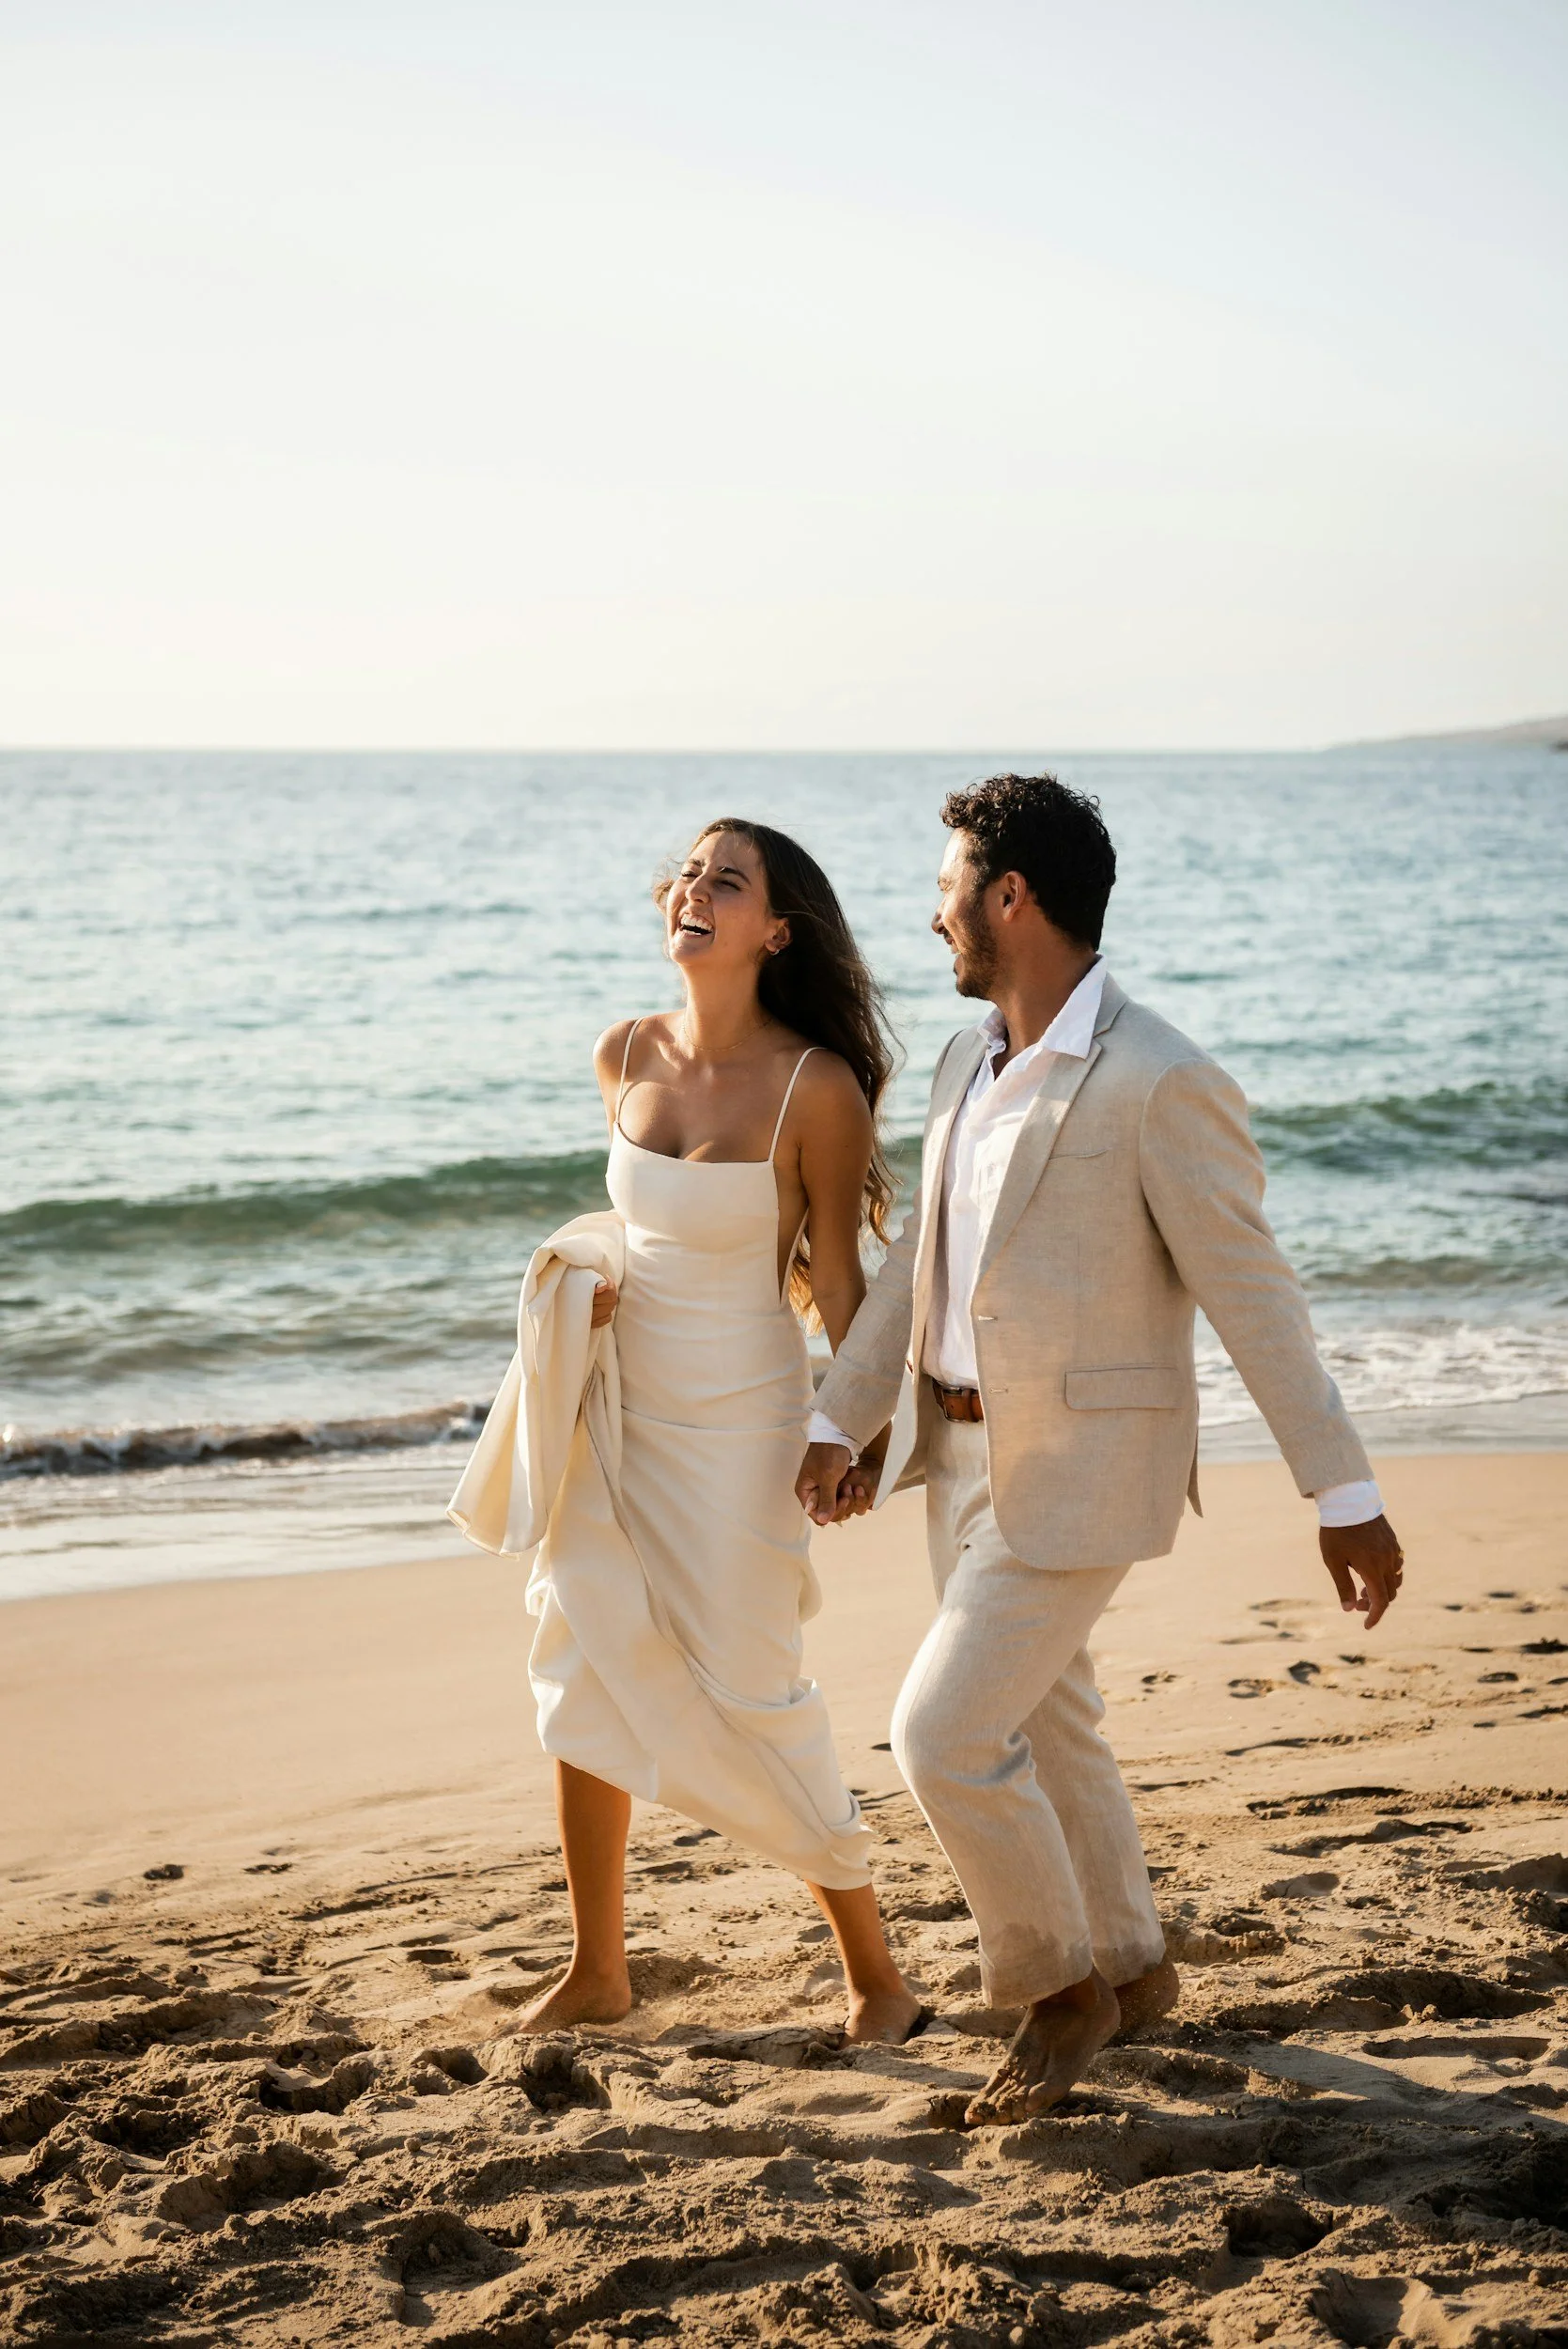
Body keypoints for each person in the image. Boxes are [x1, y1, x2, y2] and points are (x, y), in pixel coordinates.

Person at [798, 774, 1405, 2123]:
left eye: (951, 883)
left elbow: (1257, 1298)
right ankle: (1129, 1963)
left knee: (941, 1733)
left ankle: (1054, 1990)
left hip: (1082, 1468)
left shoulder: (1159, 1078)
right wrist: (841, 1414)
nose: (934, 908)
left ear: (1011, 897)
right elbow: (915, 1273)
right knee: (1051, 1717)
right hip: (953, 1462)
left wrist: (1343, 1493)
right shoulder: (970, 1061)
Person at [458, 819, 924, 2045]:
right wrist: (589, 1279)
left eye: (729, 880)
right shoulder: (624, 1052)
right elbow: (640, 1228)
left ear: (776, 930)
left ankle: (877, 1977)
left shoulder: (815, 1089)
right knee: (583, 1657)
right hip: (613, 1410)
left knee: (760, 1690)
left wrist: (860, 1424)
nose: (695, 891)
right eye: (688, 872)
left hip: (742, 1431)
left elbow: (834, 1283)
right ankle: (599, 1969)